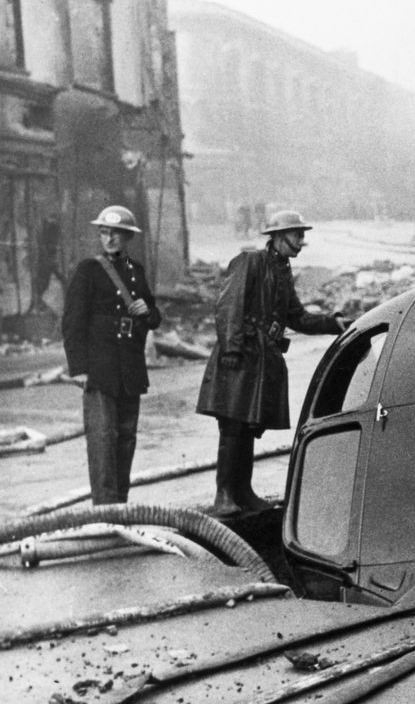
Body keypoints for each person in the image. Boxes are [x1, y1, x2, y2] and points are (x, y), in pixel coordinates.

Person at [196, 210, 348, 516]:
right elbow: (229, 306)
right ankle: (224, 495)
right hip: (239, 356)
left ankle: (243, 491)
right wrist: (231, 349)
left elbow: (297, 317)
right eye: (297, 236)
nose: (301, 243)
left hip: (261, 360)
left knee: (249, 425)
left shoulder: (282, 270)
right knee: (232, 424)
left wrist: (335, 323)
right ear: (278, 236)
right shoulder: (250, 261)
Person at [62, 206, 162, 504]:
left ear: (128, 236)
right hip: (100, 367)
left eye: (115, 234)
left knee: (126, 438)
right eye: (104, 233)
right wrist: (78, 368)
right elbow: (72, 322)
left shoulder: (136, 272)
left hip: (129, 368)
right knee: (103, 440)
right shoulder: (88, 270)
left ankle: (121, 505)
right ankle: (105, 510)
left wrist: (148, 312)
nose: (108, 239)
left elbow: (154, 318)